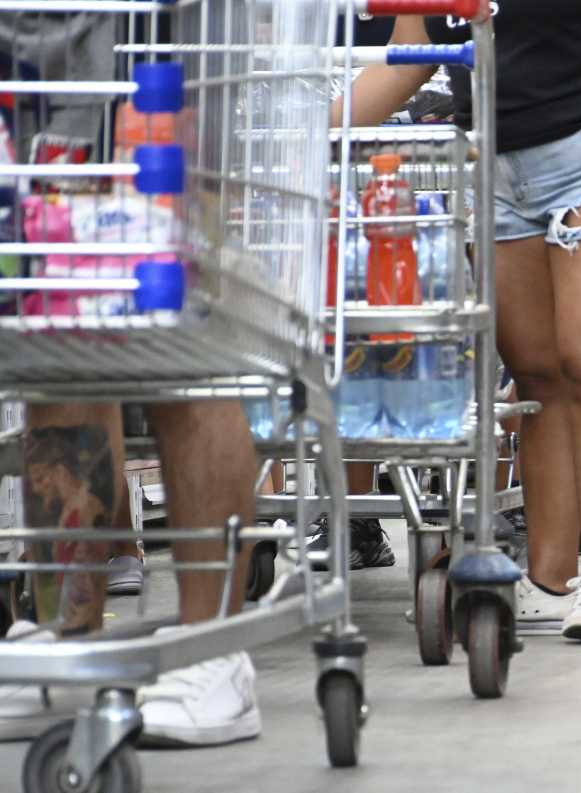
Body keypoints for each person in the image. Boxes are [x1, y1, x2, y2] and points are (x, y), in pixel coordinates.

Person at [339, 1, 581, 643]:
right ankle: (548, 582)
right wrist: (307, 134)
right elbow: (409, 56)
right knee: (537, 376)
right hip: (499, 163)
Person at [0, 16, 262, 747]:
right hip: (35, 50)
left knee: (185, 335)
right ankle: (70, 636)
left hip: (166, 42)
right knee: (51, 329)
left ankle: (215, 650)